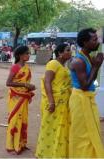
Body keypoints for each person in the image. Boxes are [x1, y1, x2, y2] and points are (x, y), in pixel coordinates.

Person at [69, 28, 104, 158]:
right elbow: (84, 85)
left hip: (87, 98)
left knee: (90, 131)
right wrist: (96, 66)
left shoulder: (87, 57)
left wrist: (95, 66)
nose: (98, 42)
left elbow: (90, 80)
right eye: (94, 40)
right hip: (80, 99)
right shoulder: (79, 61)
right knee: (82, 134)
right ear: (85, 42)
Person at [35, 44, 72, 158]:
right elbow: (47, 82)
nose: (70, 52)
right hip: (55, 102)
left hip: (64, 102)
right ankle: (45, 153)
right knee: (50, 128)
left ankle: (57, 153)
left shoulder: (64, 66)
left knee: (61, 128)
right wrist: (51, 101)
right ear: (60, 53)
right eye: (68, 50)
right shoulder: (53, 63)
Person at [5, 46, 35, 154]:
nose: (28, 55)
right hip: (16, 97)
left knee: (23, 120)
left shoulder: (27, 68)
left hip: (24, 96)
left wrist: (29, 88)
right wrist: (25, 84)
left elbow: (26, 81)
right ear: (19, 55)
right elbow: (8, 83)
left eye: (28, 53)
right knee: (14, 120)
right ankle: (11, 146)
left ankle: (21, 143)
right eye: (26, 53)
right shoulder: (15, 67)